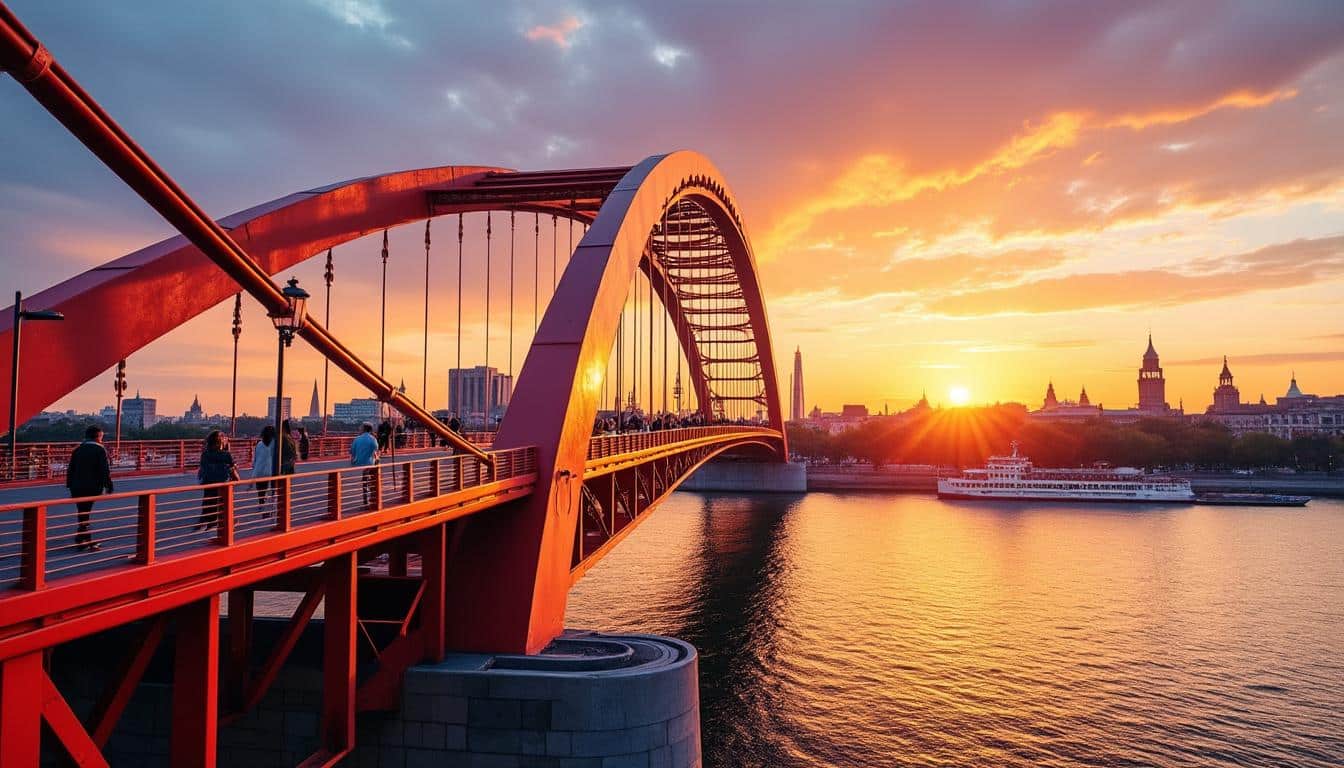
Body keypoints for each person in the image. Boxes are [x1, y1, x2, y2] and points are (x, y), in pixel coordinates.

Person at [66, 425, 113, 552]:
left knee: (83, 512)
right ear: (97, 437)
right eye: (101, 437)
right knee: (85, 512)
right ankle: (82, 540)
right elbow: (104, 470)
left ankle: (83, 538)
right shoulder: (99, 450)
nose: (102, 440)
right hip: (92, 487)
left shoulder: (78, 450)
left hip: (76, 487)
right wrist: (108, 485)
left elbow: (71, 469)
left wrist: (69, 485)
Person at [197, 430, 240, 531]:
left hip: (208, 485)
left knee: (209, 502)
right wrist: (236, 478)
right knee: (224, 504)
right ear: (221, 442)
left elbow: (203, 468)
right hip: (222, 485)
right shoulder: (226, 455)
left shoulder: (205, 454)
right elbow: (232, 470)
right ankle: (227, 524)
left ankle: (208, 523)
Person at [350, 422, 379, 506]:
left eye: (360, 427)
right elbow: (376, 450)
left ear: (364, 429)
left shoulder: (357, 439)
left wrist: (353, 460)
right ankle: (369, 496)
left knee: (365, 479)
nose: (359, 429)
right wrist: (376, 458)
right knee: (370, 477)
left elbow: (352, 452)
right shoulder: (373, 439)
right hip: (369, 463)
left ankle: (366, 498)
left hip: (358, 463)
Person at [252, 425, 276, 510]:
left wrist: (254, 466)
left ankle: (261, 503)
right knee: (274, 487)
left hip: (260, 470)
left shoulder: (259, 444)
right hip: (271, 470)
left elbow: (256, 458)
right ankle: (272, 503)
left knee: (261, 489)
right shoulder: (275, 444)